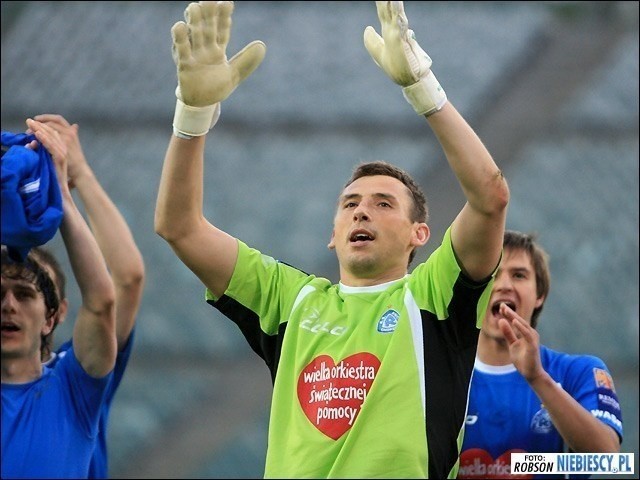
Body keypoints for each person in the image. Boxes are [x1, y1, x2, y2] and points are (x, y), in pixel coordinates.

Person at [155, 1, 509, 478]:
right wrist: (192, 115)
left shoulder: (433, 295)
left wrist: (424, 90)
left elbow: (490, 196)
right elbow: (179, 227)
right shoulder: (291, 300)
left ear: (418, 234)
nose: (361, 209)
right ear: (333, 235)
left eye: (384, 203)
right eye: (350, 204)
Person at [30, 114, 146, 479]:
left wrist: (79, 178)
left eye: (33, 291)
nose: (12, 305)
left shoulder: (78, 371)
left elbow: (126, 279)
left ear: (57, 312)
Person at [2, 118, 117, 478]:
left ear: (51, 318)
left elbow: (102, 302)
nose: (8, 306)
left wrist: (61, 196)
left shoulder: (74, 390)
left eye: (24, 295)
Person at [458, 230, 623, 479]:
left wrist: (538, 378)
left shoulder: (578, 371)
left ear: (539, 295)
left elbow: (608, 461)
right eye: (492, 273)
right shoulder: (440, 375)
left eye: (519, 275)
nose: (503, 284)